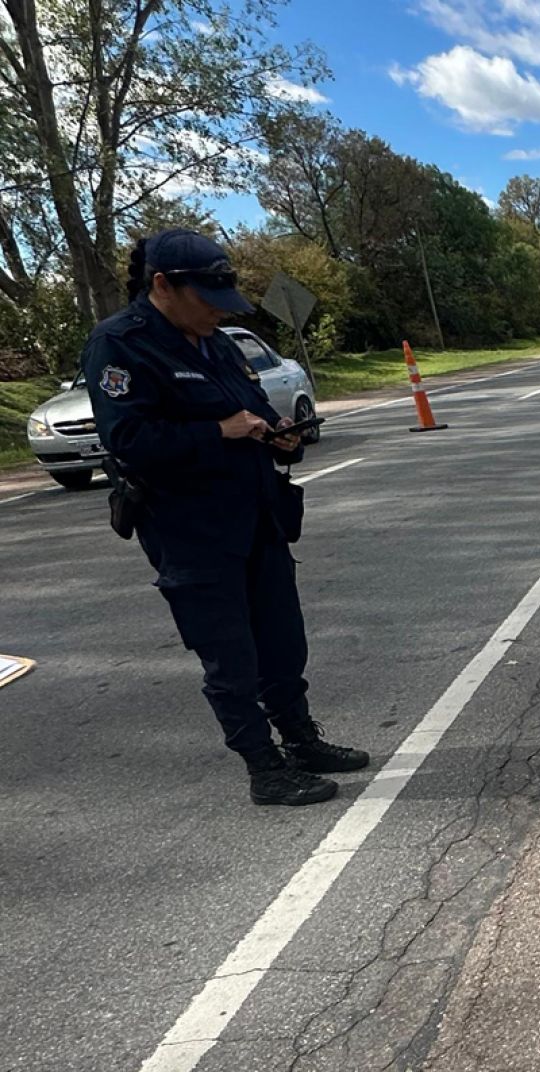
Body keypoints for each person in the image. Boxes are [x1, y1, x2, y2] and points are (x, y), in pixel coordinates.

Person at [84, 228, 368, 806]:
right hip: (190, 531)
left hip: (257, 516)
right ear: (163, 285)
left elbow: (255, 407)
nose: (219, 312)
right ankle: (264, 768)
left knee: (283, 643)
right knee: (230, 656)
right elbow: (129, 439)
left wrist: (280, 438)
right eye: (208, 300)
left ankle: (300, 739)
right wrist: (219, 430)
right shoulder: (120, 344)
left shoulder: (215, 342)